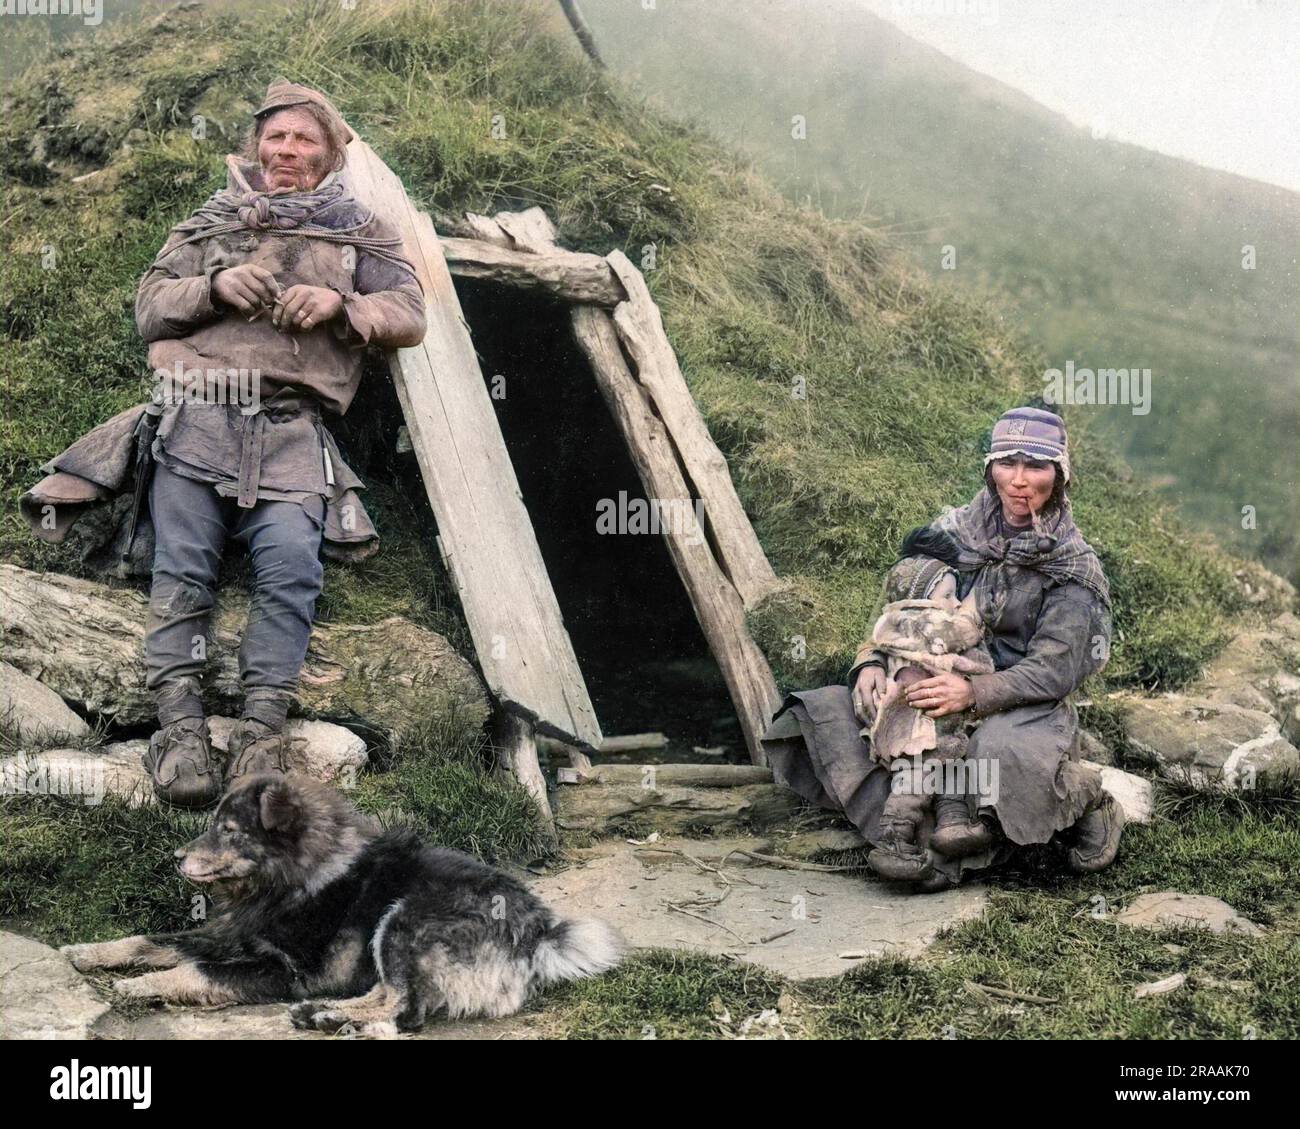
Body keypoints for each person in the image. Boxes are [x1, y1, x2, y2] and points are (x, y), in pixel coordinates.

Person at [20, 80, 427, 808]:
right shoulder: (208, 223)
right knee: (182, 571)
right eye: (276, 137)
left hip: (291, 433)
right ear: (255, 146)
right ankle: (177, 730)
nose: (288, 151)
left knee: (292, 569)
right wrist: (213, 285)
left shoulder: (361, 230)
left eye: (305, 140)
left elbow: (410, 311)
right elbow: (150, 307)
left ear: (330, 154)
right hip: (198, 422)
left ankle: (260, 734)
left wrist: (344, 305)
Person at [762, 406, 1125, 891]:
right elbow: (899, 610)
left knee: (991, 755)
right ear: (989, 468)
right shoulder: (954, 532)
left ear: (1059, 476)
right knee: (840, 711)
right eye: (1006, 463)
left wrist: (971, 693)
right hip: (931, 682)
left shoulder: (1071, 568)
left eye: (1035, 467)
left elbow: (1053, 672)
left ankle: (1088, 797)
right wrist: (871, 662)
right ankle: (919, 833)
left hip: (1019, 702)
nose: (1018, 481)